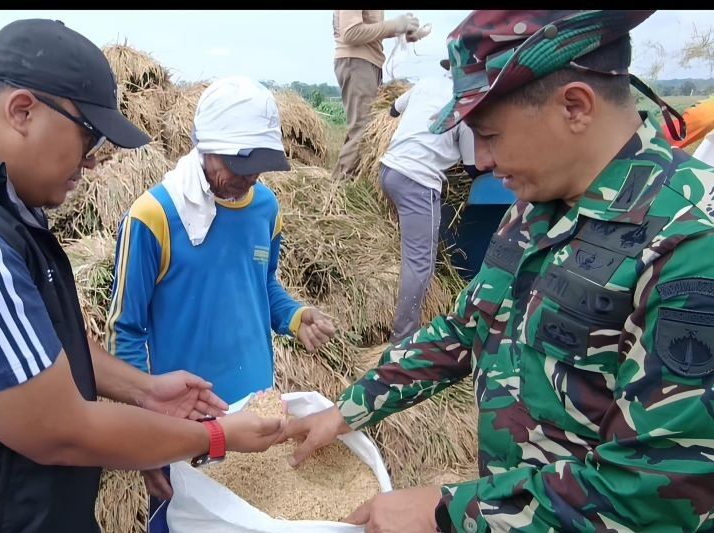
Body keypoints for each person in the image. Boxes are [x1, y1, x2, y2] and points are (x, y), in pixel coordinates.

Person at [282, 10, 714, 532]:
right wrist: (347, 409)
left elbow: (659, 493)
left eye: (489, 135)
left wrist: (446, 513)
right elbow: (468, 327)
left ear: (574, 106)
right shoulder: (535, 204)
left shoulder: (691, 244)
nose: (481, 160)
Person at [0, 19, 285, 533]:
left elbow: (36, 342)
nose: (91, 162)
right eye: (87, 136)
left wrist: (143, 390)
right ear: (23, 110)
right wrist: (216, 438)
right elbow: (60, 430)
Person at [105, 75, 336, 532]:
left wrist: (294, 315)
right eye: (237, 163)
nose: (248, 177)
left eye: (258, 165)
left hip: (257, 410)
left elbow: (262, 286)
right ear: (203, 146)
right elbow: (124, 330)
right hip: (186, 420)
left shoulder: (265, 208)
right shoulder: (153, 217)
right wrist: (146, 431)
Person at [379, 58, 479, 343]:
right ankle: (403, 339)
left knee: (414, 251)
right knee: (421, 263)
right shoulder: (467, 108)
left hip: (389, 170)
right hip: (418, 183)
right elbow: (473, 168)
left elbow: (393, 108)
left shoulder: (426, 84)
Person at [331, 10, 429, 180]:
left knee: (363, 129)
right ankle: (339, 193)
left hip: (368, 63)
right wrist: (394, 25)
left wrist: (402, 30)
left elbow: (371, 30)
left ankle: (343, 188)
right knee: (363, 130)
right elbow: (350, 33)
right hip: (357, 63)